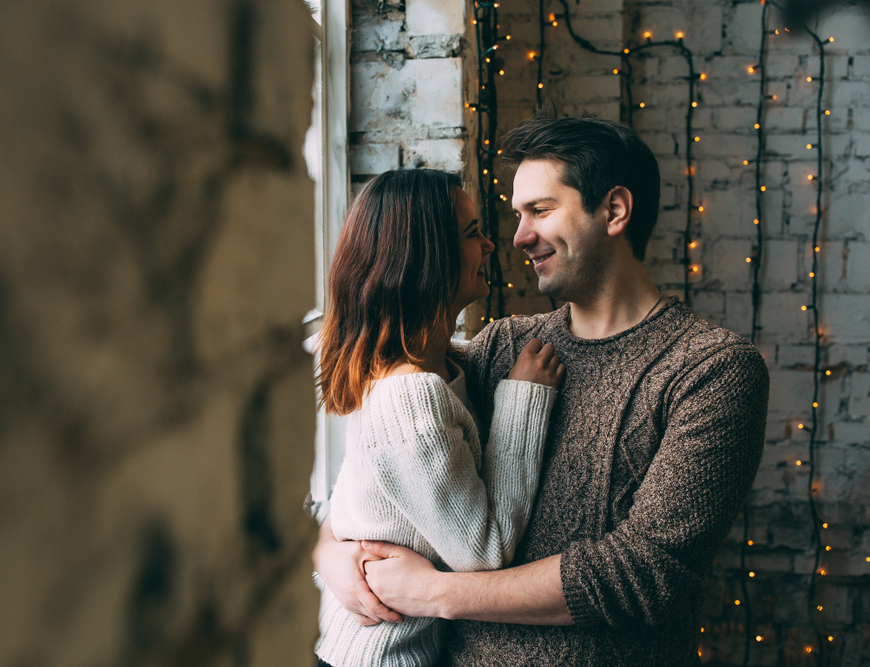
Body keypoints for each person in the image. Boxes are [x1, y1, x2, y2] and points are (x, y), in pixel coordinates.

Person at [313, 116, 770, 666]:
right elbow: (381, 476)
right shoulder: (500, 347)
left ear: (615, 211)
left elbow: (643, 572)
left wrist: (429, 593)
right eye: (517, 215)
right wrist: (334, 555)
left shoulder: (711, 369)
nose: (518, 237)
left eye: (541, 211)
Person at [313, 169, 564, 667]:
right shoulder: (408, 398)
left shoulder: (440, 368)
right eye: (472, 234)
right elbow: (484, 550)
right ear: (427, 259)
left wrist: (326, 552)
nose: (491, 245)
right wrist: (523, 402)